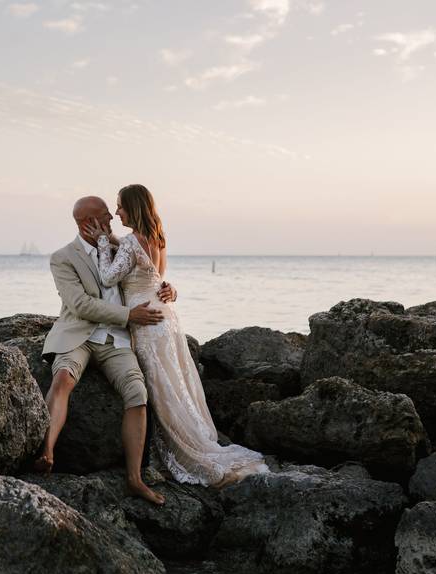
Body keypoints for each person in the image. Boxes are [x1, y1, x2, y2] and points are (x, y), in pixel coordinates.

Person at [82, 184, 269, 488]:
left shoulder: (130, 243)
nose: (117, 212)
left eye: (120, 207)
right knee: (176, 386)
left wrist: (103, 242)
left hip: (147, 323)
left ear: (134, 207)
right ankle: (195, 440)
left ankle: (185, 453)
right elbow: (152, 274)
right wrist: (115, 242)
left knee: (163, 392)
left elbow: (108, 276)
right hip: (166, 320)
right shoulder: (157, 238)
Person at [37, 195, 177, 505]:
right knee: (62, 378)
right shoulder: (63, 257)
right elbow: (80, 305)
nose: (112, 219)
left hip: (117, 339)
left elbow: (150, 276)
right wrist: (130, 315)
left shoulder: (120, 247)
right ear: (87, 223)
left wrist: (168, 290)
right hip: (79, 333)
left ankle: (135, 479)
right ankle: (46, 451)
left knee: (137, 393)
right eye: (104, 216)